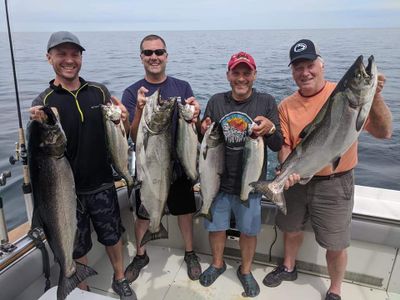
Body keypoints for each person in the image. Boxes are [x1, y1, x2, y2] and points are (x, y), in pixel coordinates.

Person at [263, 39, 393, 300]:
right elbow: (286, 146)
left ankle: (335, 290)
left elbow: (384, 132)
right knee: (291, 228)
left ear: (322, 65)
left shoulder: (344, 96)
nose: (305, 72)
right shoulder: (286, 105)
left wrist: (374, 95)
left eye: (310, 65)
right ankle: (288, 267)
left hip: (336, 182)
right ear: (292, 72)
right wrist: (285, 173)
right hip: (299, 179)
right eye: (298, 67)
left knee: (336, 244)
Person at [29, 31, 136, 300]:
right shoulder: (42, 103)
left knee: (112, 236)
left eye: (74, 54)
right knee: (77, 244)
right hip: (65, 192)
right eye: (61, 54)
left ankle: (120, 278)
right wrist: (39, 120)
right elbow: (38, 154)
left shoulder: (99, 91)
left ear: (81, 58)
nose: (69, 60)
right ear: (49, 57)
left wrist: (123, 119)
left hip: (101, 182)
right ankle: (83, 287)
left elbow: (119, 135)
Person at [199, 51, 283, 297]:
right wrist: (200, 127)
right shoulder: (216, 101)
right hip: (218, 182)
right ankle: (217, 263)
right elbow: (204, 138)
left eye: (247, 73)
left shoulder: (266, 101)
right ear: (228, 75)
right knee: (216, 228)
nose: (241, 78)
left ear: (254, 75)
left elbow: (277, 144)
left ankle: (245, 270)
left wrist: (270, 129)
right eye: (236, 73)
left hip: (252, 183)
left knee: (248, 231)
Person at [122, 34, 202, 282]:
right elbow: (132, 135)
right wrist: (138, 109)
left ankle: (190, 253)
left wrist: (196, 116)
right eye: (148, 53)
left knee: (185, 211)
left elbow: (194, 130)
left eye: (158, 52)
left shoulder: (182, 87)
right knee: (144, 213)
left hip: (178, 164)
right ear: (141, 57)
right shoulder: (132, 91)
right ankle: (141, 253)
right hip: (149, 166)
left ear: (166, 56)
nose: (153, 57)